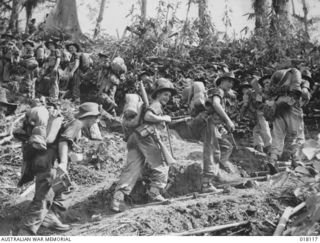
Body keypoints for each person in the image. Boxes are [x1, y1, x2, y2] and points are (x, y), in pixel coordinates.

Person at [15, 102, 101, 235]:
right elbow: (63, 142)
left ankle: (52, 217)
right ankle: (25, 232)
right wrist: (64, 163)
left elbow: (60, 143)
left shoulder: (71, 123)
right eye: (96, 117)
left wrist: (77, 158)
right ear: (89, 116)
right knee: (43, 198)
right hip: (48, 163)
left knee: (66, 187)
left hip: (43, 160)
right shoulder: (77, 123)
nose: (96, 120)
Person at [110, 78, 176, 213]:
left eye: (169, 96)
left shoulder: (151, 104)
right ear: (157, 94)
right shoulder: (156, 104)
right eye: (165, 94)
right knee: (162, 164)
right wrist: (164, 118)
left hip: (134, 137)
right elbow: (148, 117)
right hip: (146, 137)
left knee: (132, 169)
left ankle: (118, 199)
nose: (167, 98)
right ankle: (154, 194)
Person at [267, 68, 312, 174]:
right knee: (297, 135)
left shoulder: (285, 78)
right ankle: (297, 161)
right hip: (292, 106)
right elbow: (304, 94)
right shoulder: (304, 82)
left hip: (277, 106)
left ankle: (272, 160)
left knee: (278, 136)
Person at [202, 72, 239, 193]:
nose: (231, 84)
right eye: (228, 81)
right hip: (209, 124)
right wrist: (228, 120)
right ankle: (206, 184)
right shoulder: (217, 91)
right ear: (221, 81)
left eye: (232, 82)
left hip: (216, 125)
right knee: (212, 151)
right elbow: (216, 104)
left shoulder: (224, 95)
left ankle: (216, 176)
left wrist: (224, 124)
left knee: (227, 146)